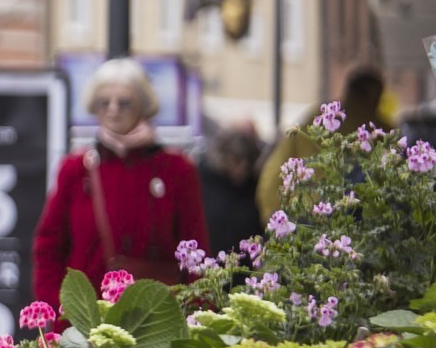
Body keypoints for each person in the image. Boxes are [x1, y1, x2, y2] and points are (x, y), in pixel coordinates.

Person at [33, 57, 209, 304]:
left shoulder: (177, 170)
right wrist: (56, 307)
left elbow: (196, 249)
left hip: (155, 318)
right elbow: (48, 246)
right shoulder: (75, 169)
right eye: (104, 102)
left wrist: (196, 313)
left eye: (124, 102)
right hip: (85, 321)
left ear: (143, 106)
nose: (113, 109)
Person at [256, 64, 392, 221]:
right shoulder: (384, 132)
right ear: (376, 97)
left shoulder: (313, 118)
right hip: (356, 225)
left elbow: (272, 175)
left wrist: (273, 220)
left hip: (306, 217)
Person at [199, 124, 263, 258]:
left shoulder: (254, 185)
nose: (242, 169)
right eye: (236, 161)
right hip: (210, 261)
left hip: (245, 267)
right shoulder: (206, 180)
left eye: (247, 163)